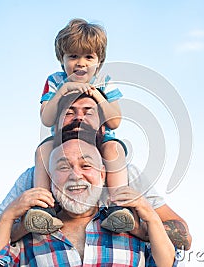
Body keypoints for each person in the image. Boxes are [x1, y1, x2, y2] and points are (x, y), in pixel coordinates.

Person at [0, 92, 192, 254]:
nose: (79, 118)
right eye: (69, 113)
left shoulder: (125, 174)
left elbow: (184, 237)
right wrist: (20, 224)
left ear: (104, 128)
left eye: (89, 112)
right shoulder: (32, 179)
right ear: (55, 127)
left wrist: (139, 227)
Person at [0, 130, 178, 267]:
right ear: (50, 179)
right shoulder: (31, 237)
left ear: (103, 175)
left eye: (86, 165)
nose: (75, 175)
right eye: (63, 167)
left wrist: (150, 216)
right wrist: (9, 215)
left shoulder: (130, 229)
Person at [27, 18, 132, 234]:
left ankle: (118, 207)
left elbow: (115, 121)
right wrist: (64, 91)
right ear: (62, 59)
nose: (81, 63)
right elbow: (47, 119)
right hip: (64, 140)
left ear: (99, 61)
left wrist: (97, 96)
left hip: (97, 139)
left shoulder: (103, 81)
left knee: (114, 150)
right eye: (73, 56)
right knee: (42, 150)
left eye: (88, 57)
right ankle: (42, 207)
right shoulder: (55, 80)